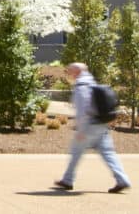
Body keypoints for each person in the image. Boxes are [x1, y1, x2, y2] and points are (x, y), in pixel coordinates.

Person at [53, 62, 131, 194]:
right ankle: (122, 179)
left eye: (70, 71)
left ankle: (67, 180)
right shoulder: (92, 83)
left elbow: (83, 110)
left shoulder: (81, 87)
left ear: (76, 73)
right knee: (108, 153)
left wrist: (81, 130)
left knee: (76, 152)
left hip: (89, 126)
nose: (69, 74)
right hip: (101, 125)